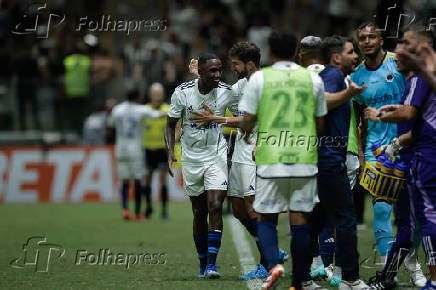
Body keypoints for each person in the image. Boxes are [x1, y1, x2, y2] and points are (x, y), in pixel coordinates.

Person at [188, 42, 289, 280]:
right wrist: (199, 75)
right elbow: (219, 91)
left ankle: (267, 262)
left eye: (235, 64)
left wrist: (217, 119)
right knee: (237, 207)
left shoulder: (265, 84)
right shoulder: (240, 85)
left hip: (258, 149)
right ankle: (273, 249)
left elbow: (249, 121)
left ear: (249, 64)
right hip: (241, 150)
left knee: (253, 208)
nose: (232, 68)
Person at [239, 30, 327, 290]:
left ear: (271, 52)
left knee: (266, 216)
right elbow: (320, 122)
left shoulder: (260, 78)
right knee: (299, 217)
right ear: (297, 51)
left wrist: (247, 134)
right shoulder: (312, 78)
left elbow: (248, 118)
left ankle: (274, 265)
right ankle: (299, 281)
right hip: (304, 157)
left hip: (271, 157)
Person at [364, 25, 432, 289]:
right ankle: (389, 274)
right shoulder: (418, 81)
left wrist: (379, 116)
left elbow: (412, 118)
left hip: (420, 161)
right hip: (412, 157)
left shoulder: (417, 79)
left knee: (415, 223)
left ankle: (395, 275)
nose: (397, 55)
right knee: (407, 223)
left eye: (404, 48)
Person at [164, 53, 238, 279]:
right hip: (191, 158)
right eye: (212, 71)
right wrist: (169, 152)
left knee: (215, 205)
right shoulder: (183, 92)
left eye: (219, 70)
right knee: (199, 212)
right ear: (201, 72)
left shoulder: (227, 92)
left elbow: (242, 118)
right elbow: (170, 124)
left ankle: (213, 265)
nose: (218, 74)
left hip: (216, 154)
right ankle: (202, 262)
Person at [309, 36, 369, 290]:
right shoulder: (333, 76)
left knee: (316, 219)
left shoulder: (339, 77)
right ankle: (351, 279)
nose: (356, 56)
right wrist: (349, 94)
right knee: (345, 218)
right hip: (330, 157)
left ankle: (304, 273)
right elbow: (319, 102)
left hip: (328, 157)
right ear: (336, 57)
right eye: (350, 51)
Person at [351, 22, 406, 265]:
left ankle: (412, 264)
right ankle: (388, 266)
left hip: (408, 145)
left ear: (381, 40)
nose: (367, 42)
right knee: (382, 209)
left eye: (372, 37)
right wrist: (361, 156)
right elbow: (357, 122)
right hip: (377, 151)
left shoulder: (399, 63)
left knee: (410, 212)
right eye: (362, 38)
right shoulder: (357, 77)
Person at [108, 89, 165, 220]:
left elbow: (110, 125)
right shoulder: (141, 109)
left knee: (124, 181)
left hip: (121, 150)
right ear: (138, 97)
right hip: (136, 151)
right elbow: (158, 115)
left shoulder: (117, 109)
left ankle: (125, 210)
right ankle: (138, 213)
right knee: (138, 181)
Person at [142, 83, 170, 219]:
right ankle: (148, 208)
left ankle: (164, 210)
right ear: (150, 95)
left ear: (163, 94)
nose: (157, 96)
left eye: (159, 93)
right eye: (155, 93)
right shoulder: (144, 110)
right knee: (147, 180)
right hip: (147, 149)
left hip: (162, 149)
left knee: (163, 180)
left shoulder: (168, 109)